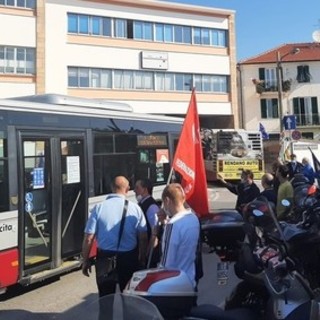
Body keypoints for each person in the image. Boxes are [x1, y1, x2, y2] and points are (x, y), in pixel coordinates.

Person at [82, 176, 148, 297]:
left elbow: (88, 238)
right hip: (129, 259)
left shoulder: (98, 208)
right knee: (129, 299)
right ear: (127, 189)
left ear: (112, 188)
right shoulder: (136, 209)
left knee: (106, 300)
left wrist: (85, 260)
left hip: (104, 259)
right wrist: (142, 258)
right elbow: (143, 237)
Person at [159, 183, 200, 289]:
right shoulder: (193, 218)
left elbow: (167, 263)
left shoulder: (172, 225)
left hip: (175, 285)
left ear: (167, 201)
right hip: (190, 279)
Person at [134, 178, 161, 267]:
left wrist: (147, 254)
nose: (134, 191)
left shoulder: (151, 207)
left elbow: (155, 234)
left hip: (149, 257)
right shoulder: (141, 204)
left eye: (137, 188)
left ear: (145, 189)